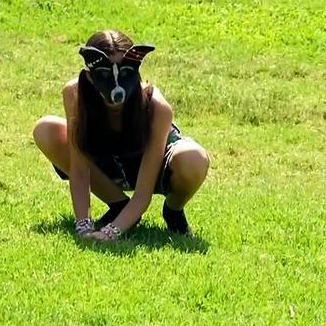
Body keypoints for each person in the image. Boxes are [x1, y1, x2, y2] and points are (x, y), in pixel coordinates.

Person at [33, 30, 210, 241]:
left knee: (194, 159)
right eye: (105, 76)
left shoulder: (157, 106)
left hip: (152, 167)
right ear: (90, 77)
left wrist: (111, 233)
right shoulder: (75, 93)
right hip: (107, 163)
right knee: (45, 129)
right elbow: (79, 168)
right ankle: (119, 206)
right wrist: (84, 228)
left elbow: (143, 194)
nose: (117, 89)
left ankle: (173, 210)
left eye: (125, 74)